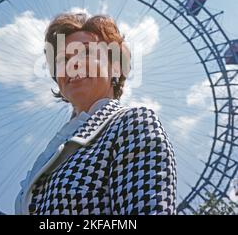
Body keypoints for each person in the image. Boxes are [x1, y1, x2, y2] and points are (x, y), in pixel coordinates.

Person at [15, 12, 177, 215]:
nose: (73, 64)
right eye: (63, 60)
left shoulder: (133, 124)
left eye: (86, 54)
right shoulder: (52, 152)